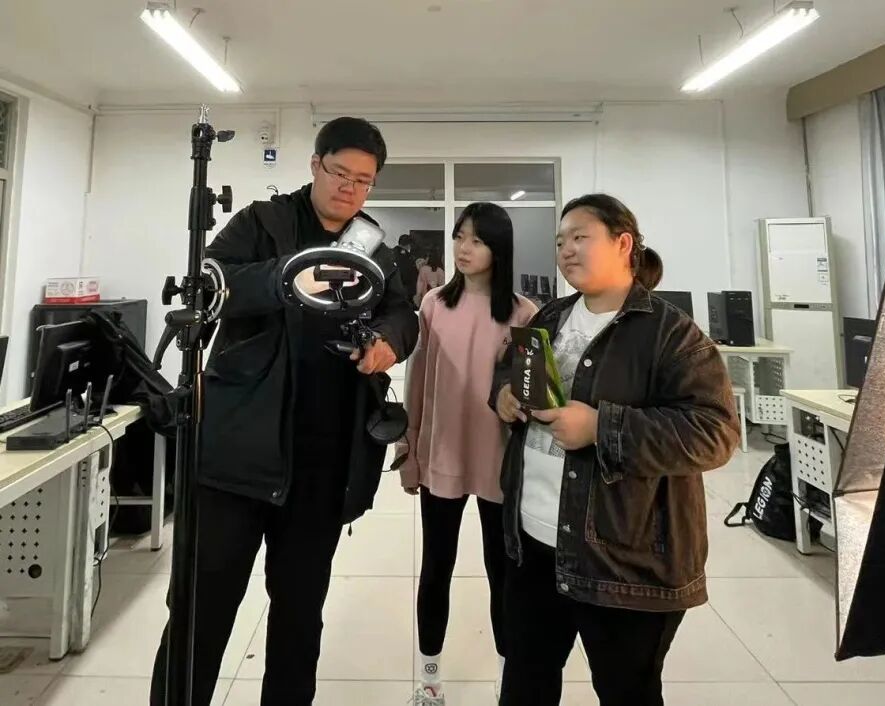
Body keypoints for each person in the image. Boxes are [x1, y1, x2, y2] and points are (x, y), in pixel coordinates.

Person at [149, 117, 419, 706]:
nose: (349, 188)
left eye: (364, 180)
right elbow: (210, 284)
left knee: (299, 617)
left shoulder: (372, 243)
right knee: (202, 610)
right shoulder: (262, 222)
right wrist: (290, 275)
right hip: (238, 456)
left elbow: (403, 314)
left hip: (323, 463)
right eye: (340, 172)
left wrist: (387, 343)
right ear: (315, 165)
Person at [492, 194, 741, 706]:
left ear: (623, 243)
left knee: (626, 691)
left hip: (622, 562)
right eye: (560, 241)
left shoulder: (671, 334)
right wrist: (504, 395)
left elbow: (715, 433)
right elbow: (512, 376)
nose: (566, 249)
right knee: (525, 682)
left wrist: (602, 428)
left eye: (580, 237)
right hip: (533, 544)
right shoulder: (551, 316)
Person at [399, 203, 538, 706]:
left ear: (498, 249)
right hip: (441, 456)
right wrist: (409, 447)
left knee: (504, 574)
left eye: (476, 240)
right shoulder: (434, 303)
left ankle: (508, 678)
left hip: (499, 464)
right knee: (437, 567)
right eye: (460, 236)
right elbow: (417, 381)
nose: (463, 248)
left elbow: (534, 398)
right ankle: (429, 678)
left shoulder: (524, 313)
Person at [393, 233, 420, 307]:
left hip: (395, 288)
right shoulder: (405, 256)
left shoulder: (391, 253)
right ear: (408, 245)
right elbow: (407, 273)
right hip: (405, 287)